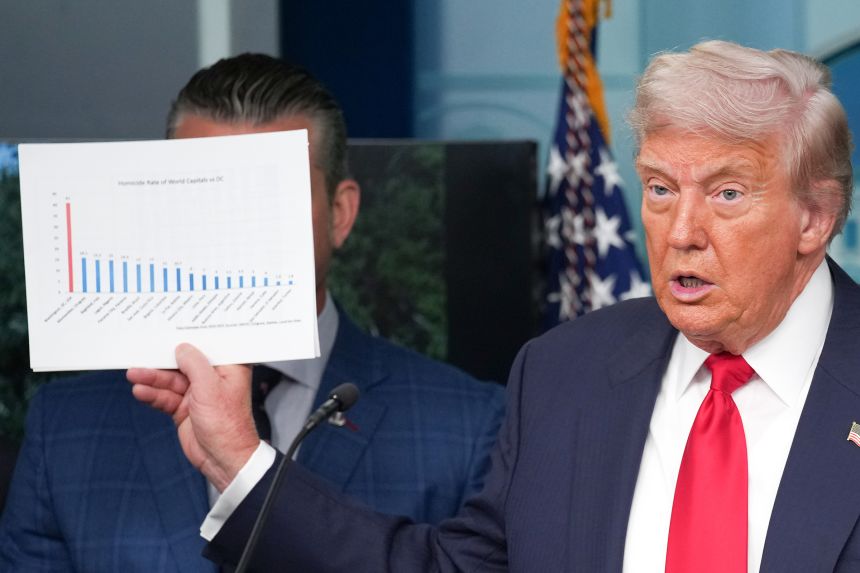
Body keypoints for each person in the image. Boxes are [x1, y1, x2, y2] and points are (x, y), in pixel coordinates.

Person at [129, 39, 860, 572]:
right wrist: (239, 459)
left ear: (815, 217)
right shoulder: (565, 373)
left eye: (727, 193)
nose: (682, 231)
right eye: (661, 189)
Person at [0, 54, 505, 572]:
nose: (230, 228)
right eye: (200, 192)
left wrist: (243, 463)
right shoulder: (66, 430)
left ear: (340, 214)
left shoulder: (468, 426)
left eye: (267, 194)